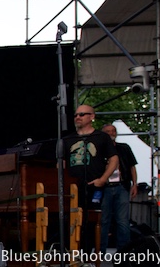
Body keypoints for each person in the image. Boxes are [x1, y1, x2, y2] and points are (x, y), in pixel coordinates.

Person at [64, 105, 117, 252]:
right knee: (71, 220)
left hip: (95, 185)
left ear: (92, 117)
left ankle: (89, 255)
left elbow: (114, 159)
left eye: (82, 114)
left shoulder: (101, 137)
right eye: (76, 115)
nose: (78, 117)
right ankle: (72, 254)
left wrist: (103, 178)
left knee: (92, 221)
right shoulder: (68, 139)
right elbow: (61, 162)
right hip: (72, 187)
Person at [100, 124, 138, 251]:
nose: (111, 133)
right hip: (105, 187)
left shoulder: (124, 148)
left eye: (113, 131)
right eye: (108, 131)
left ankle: (124, 250)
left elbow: (132, 167)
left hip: (122, 185)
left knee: (122, 220)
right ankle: (101, 250)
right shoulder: (99, 149)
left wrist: (135, 184)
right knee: (104, 220)